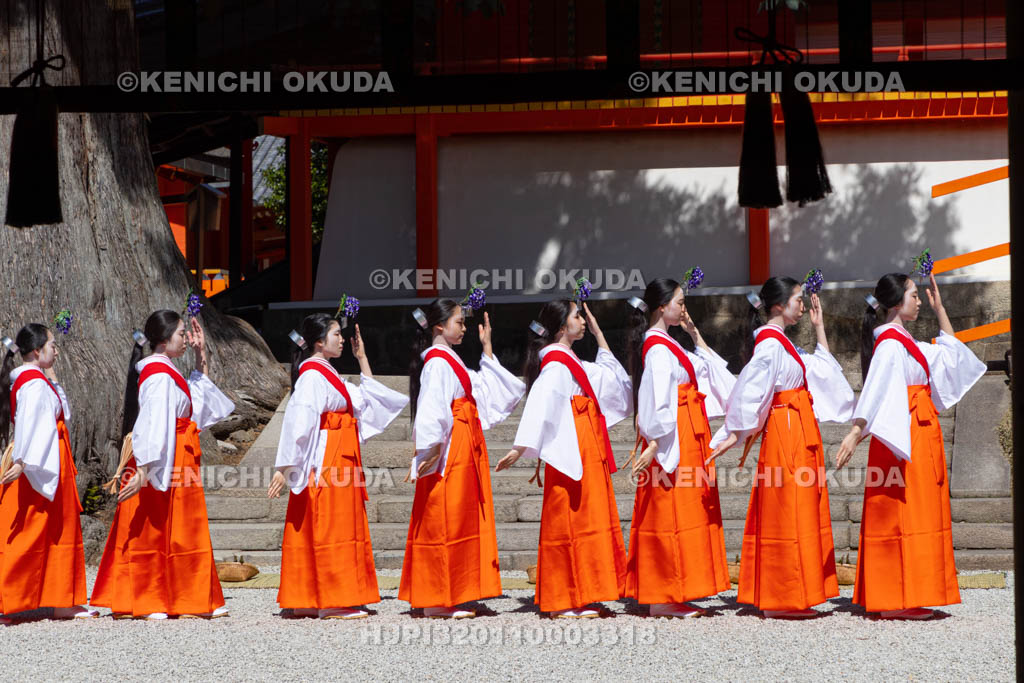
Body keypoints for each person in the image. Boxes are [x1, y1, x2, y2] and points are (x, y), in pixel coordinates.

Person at [834, 272, 985, 620]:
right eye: (914, 295)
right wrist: (856, 431)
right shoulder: (890, 345)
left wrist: (941, 308)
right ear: (895, 303)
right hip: (901, 437)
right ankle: (896, 597)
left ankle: (907, 593)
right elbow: (875, 391)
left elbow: (950, 353)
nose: (919, 301)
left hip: (917, 431)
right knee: (902, 513)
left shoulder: (904, 342)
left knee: (915, 511)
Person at [707, 277, 853, 619]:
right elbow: (752, 387)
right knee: (788, 507)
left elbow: (821, 372)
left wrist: (819, 329)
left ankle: (791, 593)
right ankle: (782, 596)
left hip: (797, 426)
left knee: (798, 505)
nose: (803, 305)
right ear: (778, 305)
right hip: (787, 427)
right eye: (798, 299)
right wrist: (734, 432)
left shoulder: (782, 344)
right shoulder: (770, 345)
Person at [92, 310, 234, 620]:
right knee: (153, 528)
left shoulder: (165, 371)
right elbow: (153, 421)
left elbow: (195, 406)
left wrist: (201, 356)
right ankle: (148, 598)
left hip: (174, 452)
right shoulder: (157, 374)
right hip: (158, 456)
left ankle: (183, 596)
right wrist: (144, 467)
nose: (186, 338)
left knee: (181, 526)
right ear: (164, 339)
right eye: (182, 334)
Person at [496, 299, 632, 619]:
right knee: (569, 519)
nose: (583, 321)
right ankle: (563, 597)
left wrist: (599, 334)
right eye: (577, 317)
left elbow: (613, 379)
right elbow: (543, 402)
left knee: (585, 518)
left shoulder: (570, 361)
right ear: (560, 326)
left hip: (585, 442)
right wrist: (521, 446)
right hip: (570, 444)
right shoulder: (557, 364)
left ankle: (582, 592)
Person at [269, 313, 408, 619]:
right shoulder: (312, 376)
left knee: (326, 524)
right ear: (319, 342)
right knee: (332, 526)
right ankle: (331, 599)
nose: (342, 338)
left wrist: (362, 359)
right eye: (335, 334)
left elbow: (368, 401)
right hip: (327, 457)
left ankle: (308, 597)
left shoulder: (326, 373)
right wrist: (286, 465)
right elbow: (300, 422)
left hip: (337, 452)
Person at [399, 300, 524, 619]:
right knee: (445, 515)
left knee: (460, 517)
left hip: (462, 443)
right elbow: (432, 409)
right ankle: (437, 598)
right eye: (459, 321)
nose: (464, 327)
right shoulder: (438, 364)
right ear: (439, 326)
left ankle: (455, 591)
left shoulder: (449, 361)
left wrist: (487, 348)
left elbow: (483, 391)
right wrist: (430, 449)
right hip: (450, 447)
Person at [623, 278, 735, 618]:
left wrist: (694, 332)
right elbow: (657, 398)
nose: (683, 308)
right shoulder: (657, 348)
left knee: (683, 509)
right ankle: (663, 593)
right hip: (674, 434)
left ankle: (675, 589)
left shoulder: (669, 343)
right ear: (661, 306)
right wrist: (655, 440)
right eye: (679, 302)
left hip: (686, 429)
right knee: (669, 509)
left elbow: (707, 368)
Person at [0, 324, 94, 622]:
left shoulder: (38, 380)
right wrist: (23, 460)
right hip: (37, 463)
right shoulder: (33, 384)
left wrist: (51, 374)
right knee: (31, 531)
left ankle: (60, 599)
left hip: (46, 459)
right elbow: (30, 423)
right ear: (37, 351)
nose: (57, 349)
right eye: (52, 344)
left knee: (55, 531)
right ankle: (11, 599)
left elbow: (62, 412)